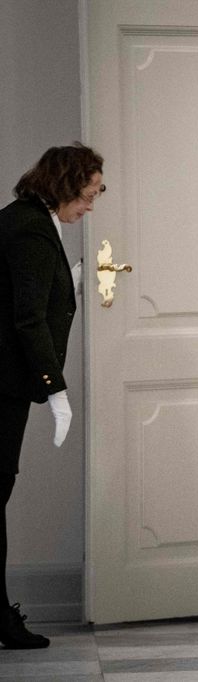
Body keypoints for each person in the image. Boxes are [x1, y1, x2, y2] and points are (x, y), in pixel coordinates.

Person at [0, 143, 103, 649]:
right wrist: (55, 390)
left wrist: (74, 281)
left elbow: (33, 293)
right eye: (87, 194)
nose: (90, 206)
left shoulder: (31, 222)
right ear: (63, 186)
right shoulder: (31, 230)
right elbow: (27, 317)